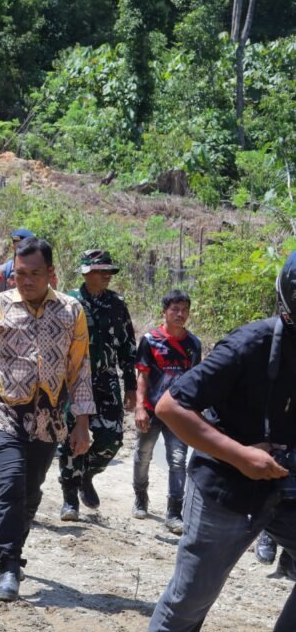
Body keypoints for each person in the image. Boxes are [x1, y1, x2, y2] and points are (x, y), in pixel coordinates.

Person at [148, 250, 296, 631]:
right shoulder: (250, 345)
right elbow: (170, 407)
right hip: (225, 490)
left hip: (287, 488)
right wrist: (240, 455)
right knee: (188, 602)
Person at [0, 237, 93, 602]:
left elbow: (79, 371)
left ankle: (14, 543)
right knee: (10, 484)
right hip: (4, 415)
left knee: (29, 494)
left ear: (51, 274)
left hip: (48, 421)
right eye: (19, 273)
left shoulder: (71, 311)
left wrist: (82, 422)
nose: (25, 280)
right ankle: (9, 565)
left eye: (34, 274)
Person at [57, 249, 137, 521]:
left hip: (106, 379)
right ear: (86, 272)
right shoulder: (69, 302)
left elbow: (128, 345)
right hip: (73, 380)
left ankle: (86, 475)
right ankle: (69, 498)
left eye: (109, 272)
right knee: (71, 440)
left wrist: (131, 385)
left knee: (111, 439)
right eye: (101, 271)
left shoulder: (117, 303)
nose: (107, 276)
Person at [131, 289, 201, 533]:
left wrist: (197, 412)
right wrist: (140, 407)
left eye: (184, 310)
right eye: (175, 310)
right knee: (143, 456)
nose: (180, 314)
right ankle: (140, 497)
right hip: (151, 410)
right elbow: (142, 375)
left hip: (178, 414)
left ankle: (174, 512)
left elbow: (196, 380)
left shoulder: (193, 345)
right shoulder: (150, 341)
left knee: (178, 460)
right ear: (165, 312)